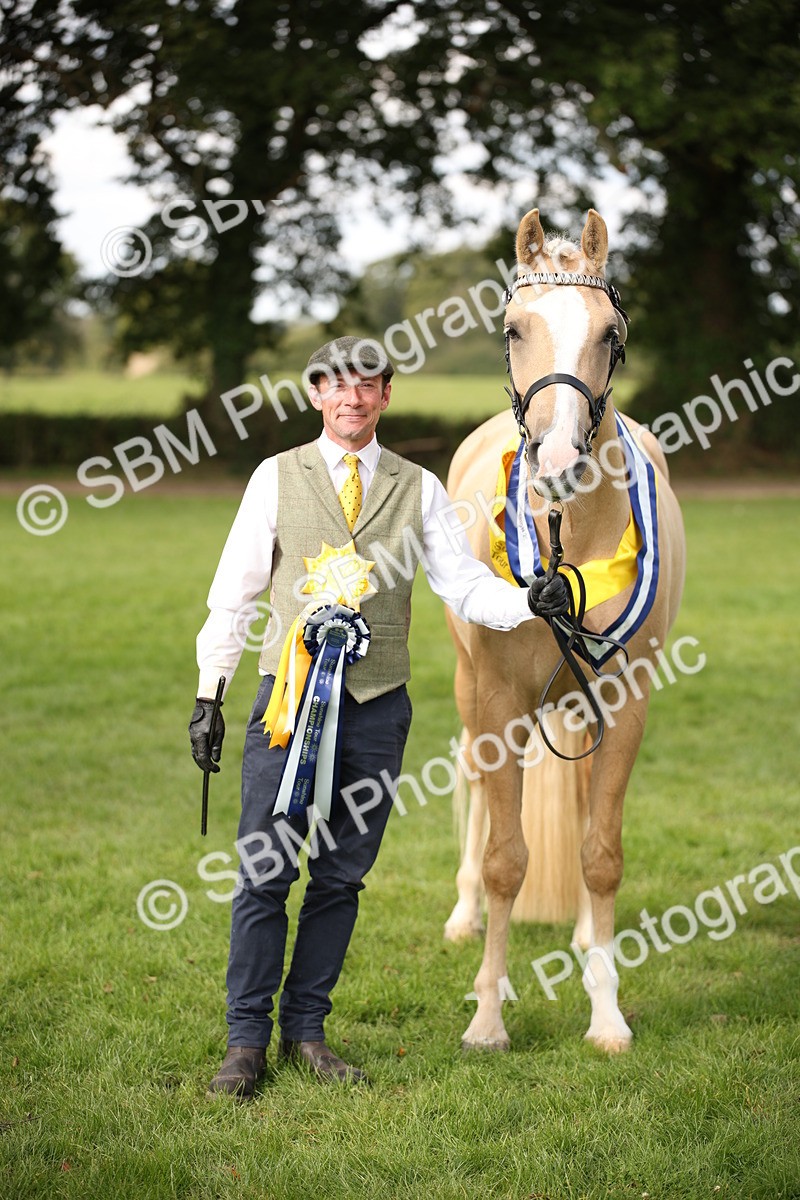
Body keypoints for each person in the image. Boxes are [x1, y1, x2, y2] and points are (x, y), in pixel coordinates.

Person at [189, 335, 569, 1100]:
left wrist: (527, 599)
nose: (352, 399)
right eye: (337, 386)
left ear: (384, 396)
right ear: (316, 394)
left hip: (376, 711)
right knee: (264, 873)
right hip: (285, 708)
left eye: (367, 387)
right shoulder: (275, 478)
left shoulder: (420, 487)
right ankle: (243, 1043)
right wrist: (210, 693)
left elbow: (462, 586)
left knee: (340, 879)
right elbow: (233, 590)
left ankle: (306, 1031)